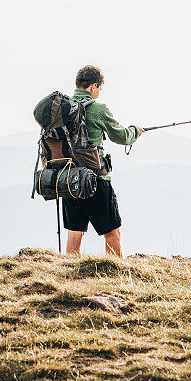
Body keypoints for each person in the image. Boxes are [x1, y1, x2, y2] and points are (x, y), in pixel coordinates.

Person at [62, 65, 144, 258]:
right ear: (92, 87)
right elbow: (121, 136)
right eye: (99, 88)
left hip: (68, 178)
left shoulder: (63, 107)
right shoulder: (98, 109)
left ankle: (68, 275)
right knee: (112, 233)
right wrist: (135, 131)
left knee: (75, 232)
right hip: (95, 179)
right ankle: (115, 274)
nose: (99, 93)